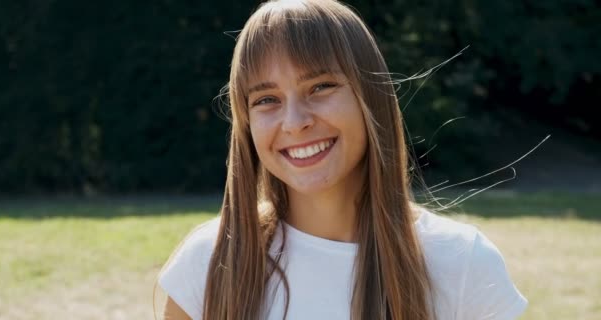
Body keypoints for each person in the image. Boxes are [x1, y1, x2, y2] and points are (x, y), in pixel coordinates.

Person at [157, 0, 528, 319]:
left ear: (370, 98)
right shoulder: (206, 265)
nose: (295, 122)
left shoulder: (462, 264)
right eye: (266, 99)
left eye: (320, 87)